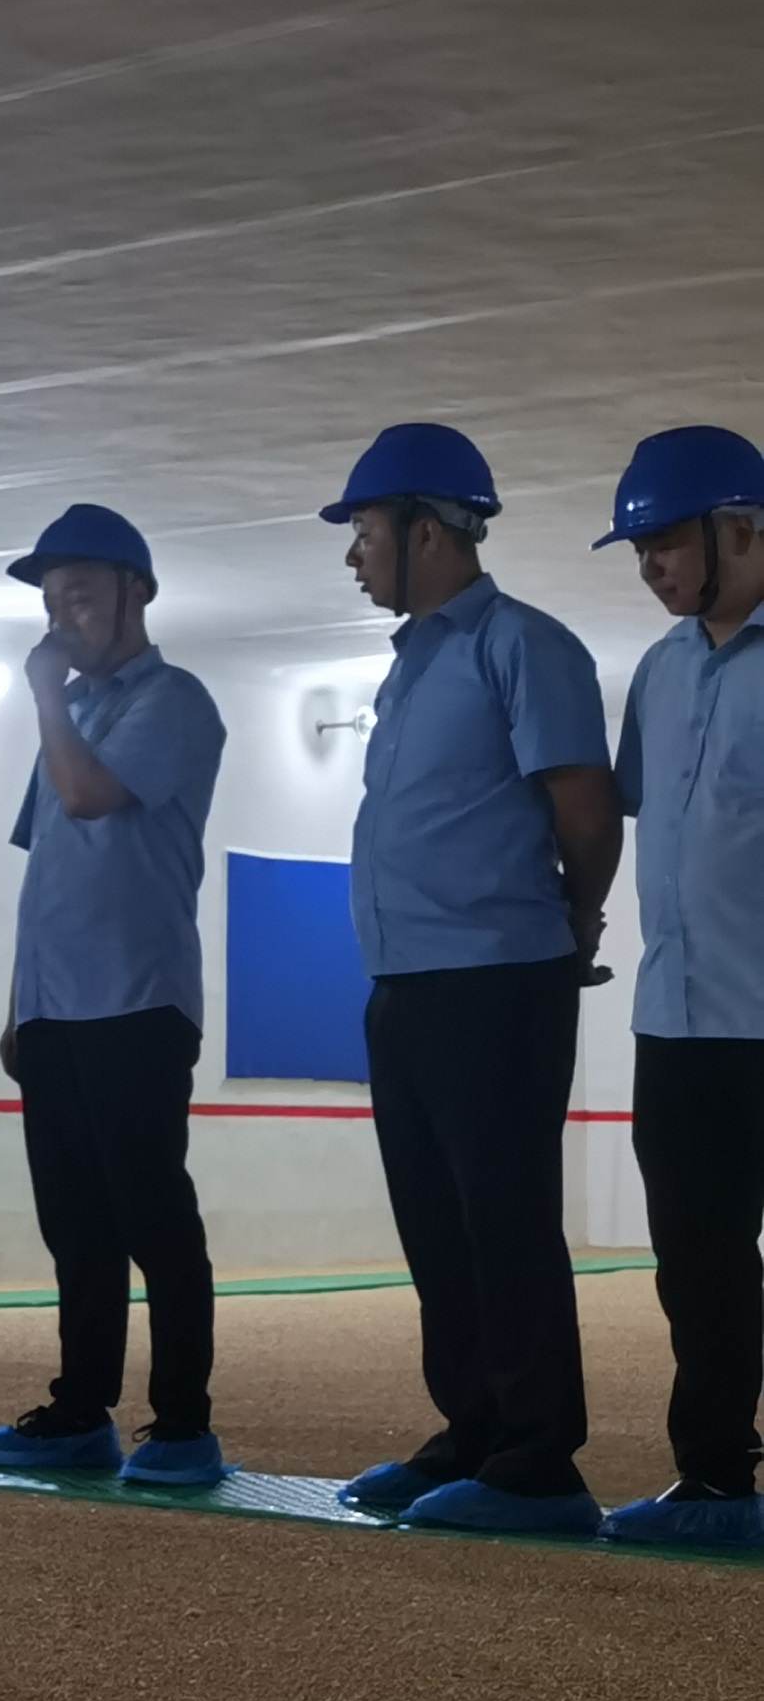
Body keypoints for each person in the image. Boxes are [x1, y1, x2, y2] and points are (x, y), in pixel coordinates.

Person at [323, 424, 621, 1536]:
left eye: (364, 531)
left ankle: (539, 1460)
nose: (352, 554)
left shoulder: (524, 646)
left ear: (427, 532)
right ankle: (475, 1428)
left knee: (503, 1220)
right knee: (436, 1225)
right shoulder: (408, 667)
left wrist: (574, 917)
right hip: (404, 984)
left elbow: (584, 809)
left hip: (498, 978)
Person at [0, 506, 232, 1484]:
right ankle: (79, 1412)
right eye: (50, 601)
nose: (59, 616)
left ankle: (184, 1424)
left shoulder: (174, 701)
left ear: (135, 592)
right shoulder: (67, 721)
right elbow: (48, 874)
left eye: (78, 595)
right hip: (55, 1010)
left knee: (154, 1218)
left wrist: (45, 697)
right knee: (73, 1224)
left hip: (136, 1002)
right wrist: (17, 1007)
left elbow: (87, 797)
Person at [594, 425, 764, 1551]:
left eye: (664, 542)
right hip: (676, 1023)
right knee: (697, 1265)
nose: (649, 565)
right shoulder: (656, 674)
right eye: (639, 549)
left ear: (739, 529)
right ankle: (714, 1477)